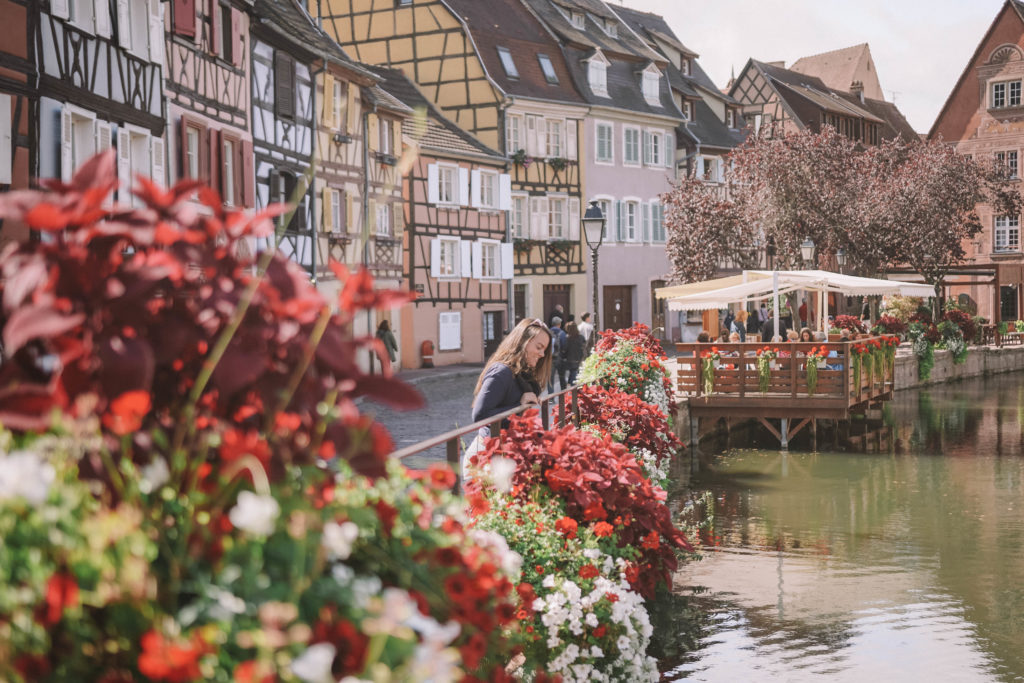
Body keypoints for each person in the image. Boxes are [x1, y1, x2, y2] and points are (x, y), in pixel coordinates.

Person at [466, 318, 552, 476]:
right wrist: (519, 405)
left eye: (544, 350)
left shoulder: (522, 374)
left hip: (502, 452)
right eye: (539, 347)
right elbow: (480, 415)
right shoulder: (501, 372)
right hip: (486, 456)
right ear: (522, 342)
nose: (541, 354)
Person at [548, 317, 568, 392]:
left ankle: (550, 398)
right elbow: (564, 346)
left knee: (550, 378)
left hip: (549, 358)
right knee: (562, 377)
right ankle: (564, 394)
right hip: (560, 358)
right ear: (559, 324)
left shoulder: (548, 332)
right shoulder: (562, 333)